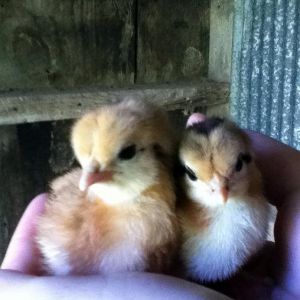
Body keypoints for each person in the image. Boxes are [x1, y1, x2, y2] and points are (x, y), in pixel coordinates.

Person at [1, 114, 300, 299]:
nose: (220, 190)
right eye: (195, 175)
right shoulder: (168, 224)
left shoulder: (162, 216)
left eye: (236, 166)